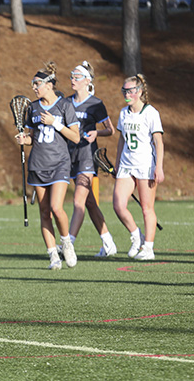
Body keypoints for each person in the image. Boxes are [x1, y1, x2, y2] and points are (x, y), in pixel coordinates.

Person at [16, 62, 80, 270]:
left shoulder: (65, 106)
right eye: (33, 84)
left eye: (37, 84)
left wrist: (55, 123)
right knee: (44, 212)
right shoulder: (32, 108)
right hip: (38, 164)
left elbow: (76, 137)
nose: (34, 87)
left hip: (60, 163)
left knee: (56, 207)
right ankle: (53, 254)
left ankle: (66, 242)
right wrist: (22, 139)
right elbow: (31, 137)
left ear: (49, 85)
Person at [65, 61, 117, 258]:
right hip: (71, 156)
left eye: (77, 77)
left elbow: (110, 130)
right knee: (90, 203)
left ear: (87, 80)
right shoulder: (66, 102)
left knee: (78, 200)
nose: (73, 80)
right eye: (71, 76)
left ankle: (68, 243)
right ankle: (108, 242)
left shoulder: (96, 103)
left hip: (87, 154)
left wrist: (97, 133)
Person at [113, 74, 164, 261]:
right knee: (118, 205)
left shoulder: (151, 113)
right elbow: (121, 140)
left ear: (140, 92)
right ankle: (136, 236)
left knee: (146, 208)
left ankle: (148, 248)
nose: (127, 94)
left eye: (131, 90)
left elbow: (158, 142)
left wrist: (159, 167)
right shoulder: (123, 113)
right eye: (124, 90)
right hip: (127, 165)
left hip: (145, 165)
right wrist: (118, 161)